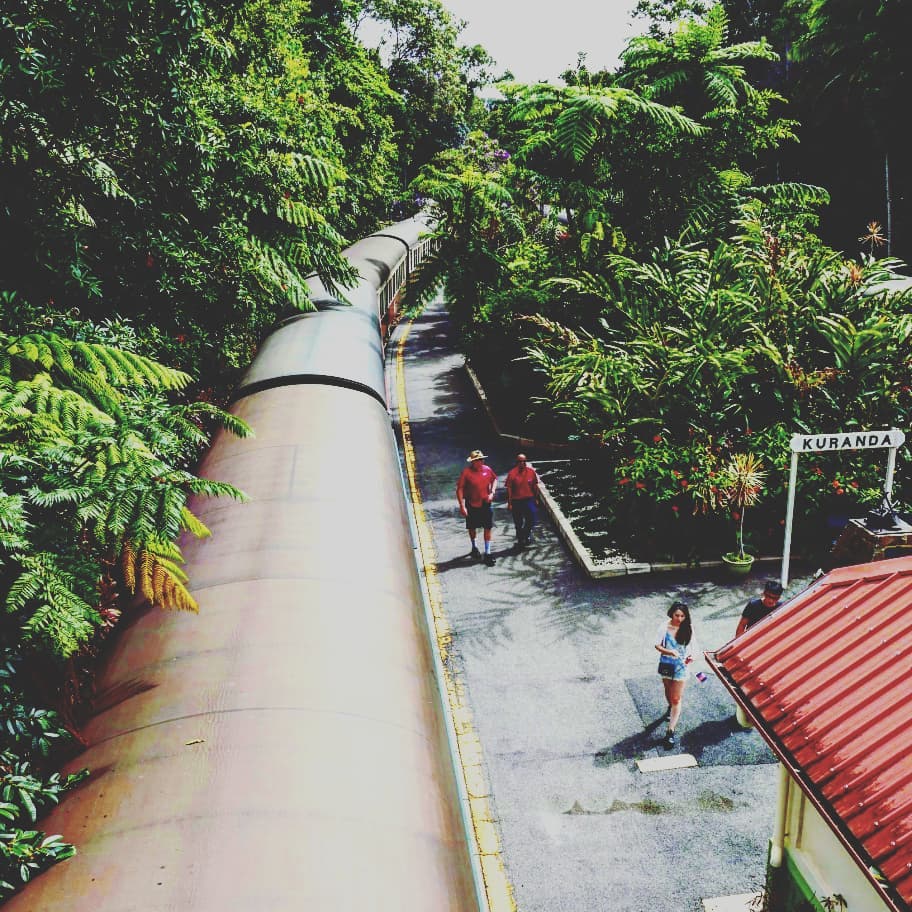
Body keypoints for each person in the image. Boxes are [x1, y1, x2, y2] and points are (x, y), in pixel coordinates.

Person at [654, 601, 696, 749]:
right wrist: (669, 651)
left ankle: (670, 731)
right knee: (668, 691)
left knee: (676, 698)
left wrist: (691, 657)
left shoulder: (687, 628)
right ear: (671, 613)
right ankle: (670, 707)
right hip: (666, 663)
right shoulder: (664, 627)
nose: (679, 619)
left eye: (682, 616)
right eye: (677, 615)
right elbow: (657, 645)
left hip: (681, 666)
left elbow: (692, 647)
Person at [456, 450, 498, 566]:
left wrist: (492, 492)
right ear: (473, 462)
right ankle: (474, 547)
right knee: (472, 527)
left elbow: (495, 479)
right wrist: (462, 505)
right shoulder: (466, 473)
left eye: (482, 459)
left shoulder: (487, 469)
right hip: (472, 505)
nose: (481, 461)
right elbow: (459, 489)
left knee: (488, 527)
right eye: (478, 460)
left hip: (485, 503)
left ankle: (488, 553)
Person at [504, 453, 540, 549]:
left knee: (531, 520)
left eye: (524, 461)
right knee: (518, 522)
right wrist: (509, 503)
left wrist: (536, 498)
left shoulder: (531, 472)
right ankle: (521, 539)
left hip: (529, 500)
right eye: (520, 461)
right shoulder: (512, 473)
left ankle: (526, 534)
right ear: (517, 462)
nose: (522, 463)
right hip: (517, 502)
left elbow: (535, 486)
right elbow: (509, 489)